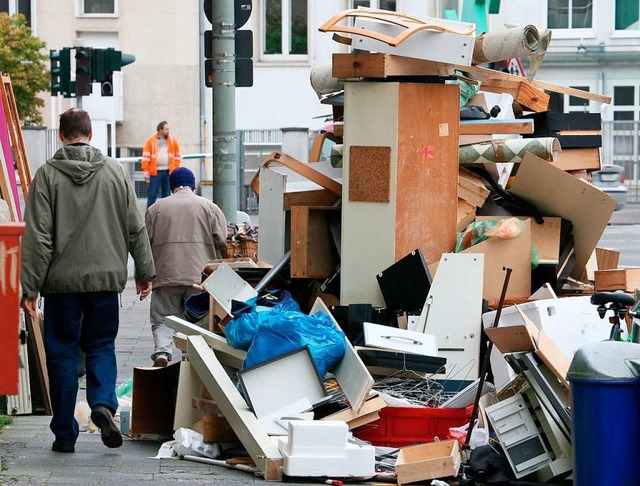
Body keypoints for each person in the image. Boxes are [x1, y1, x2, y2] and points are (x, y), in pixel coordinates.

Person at [20, 108, 156, 453]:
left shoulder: (46, 176)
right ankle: (102, 404)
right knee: (100, 346)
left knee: (63, 355)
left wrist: (29, 288)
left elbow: (38, 238)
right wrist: (144, 272)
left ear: (62, 136)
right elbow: (134, 226)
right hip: (105, 283)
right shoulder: (115, 172)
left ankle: (65, 435)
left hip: (61, 286)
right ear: (91, 135)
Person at [145, 167, 227, 367]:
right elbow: (222, 239)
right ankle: (190, 357)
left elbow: (144, 243)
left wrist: (144, 275)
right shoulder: (209, 207)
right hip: (199, 277)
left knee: (163, 317)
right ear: (192, 185)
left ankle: (162, 352)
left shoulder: (156, 208)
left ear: (172, 186)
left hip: (165, 274)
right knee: (197, 319)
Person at [142, 121, 182, 207]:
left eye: (168, 129)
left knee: (167, 195)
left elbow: (177, 156)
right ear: (160, 130)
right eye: (166, 129)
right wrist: (145, 172)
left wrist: (175, 169)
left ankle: (165, 214)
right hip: (155, 172)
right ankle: (150, 214)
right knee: (152, 194)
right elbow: (146, 157)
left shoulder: (172, 140)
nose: (168, 131)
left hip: (168, 172)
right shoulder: (151, 141)